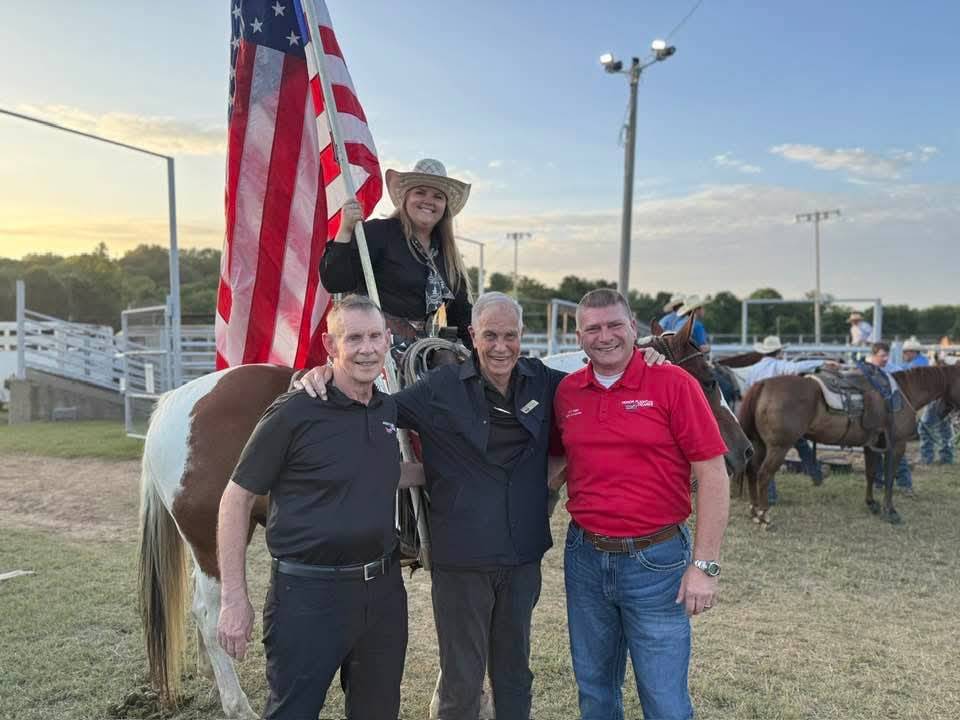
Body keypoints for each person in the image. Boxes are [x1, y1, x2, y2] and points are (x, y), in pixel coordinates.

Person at [216, 295, 411, 720]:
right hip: (307, 597)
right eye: (353, 338)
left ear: (388, 340)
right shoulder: (296, 411)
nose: (366, 348)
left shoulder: (386, 409)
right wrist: (234, 598)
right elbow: (236, 498)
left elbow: (383, 474)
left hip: (382, 595)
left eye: (375, 336)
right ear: (330, 345)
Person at [552, 288, 729, 720]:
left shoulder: (673, 384)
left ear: (634, 329)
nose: (604, 336)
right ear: (578, 337)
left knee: (664, 701)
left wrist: (705, 565)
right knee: (595, 692)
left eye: (614, 324)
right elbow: (557, 467)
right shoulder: (569, 392)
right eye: (592, 328)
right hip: (586, 558)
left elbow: (713, 474)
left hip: (657, 562)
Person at [320, 158, 474, 354]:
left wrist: (481, 356)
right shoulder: (379, 233)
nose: (428, 201)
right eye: (420, 192)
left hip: (428, 353)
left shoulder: (448, 256)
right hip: (376, 351)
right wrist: (345, 229)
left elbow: (461, 315)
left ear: (444, 206)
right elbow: (335, 281)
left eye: (438, 196)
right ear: (406, 199)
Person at [742, 336, 837, 501]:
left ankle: (813, 473)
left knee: (768, 449)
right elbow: (797, 366)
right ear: (779, 352)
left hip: (757, 413)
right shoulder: (779, 366)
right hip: (779, 414)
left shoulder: (753, 369)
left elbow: (746, 392)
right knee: (784, 447)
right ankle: (812, 473)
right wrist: (822, 362)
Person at [862, 341, 915, 495]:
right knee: (876, 450)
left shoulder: (895, 371)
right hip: (874, 417)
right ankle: (878, 483)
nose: (885, 359)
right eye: (882, 356)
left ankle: (905, 484)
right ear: (873, 355)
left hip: (893, 416)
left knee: (897, 451)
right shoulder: (866, 370)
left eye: (887, 355)